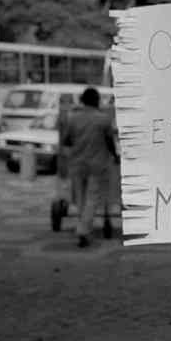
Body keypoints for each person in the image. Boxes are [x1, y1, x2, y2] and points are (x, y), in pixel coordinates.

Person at [61, 87, 118, 248]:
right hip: (97, 164)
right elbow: (109, 142)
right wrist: (114, 156)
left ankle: (83, 228)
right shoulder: (103, 119)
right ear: (97, 101)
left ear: (82, 100)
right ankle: (83, 230)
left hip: (77, 164)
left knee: (80, 199)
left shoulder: (72, 118)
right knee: (92, 199)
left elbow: (66, 141)